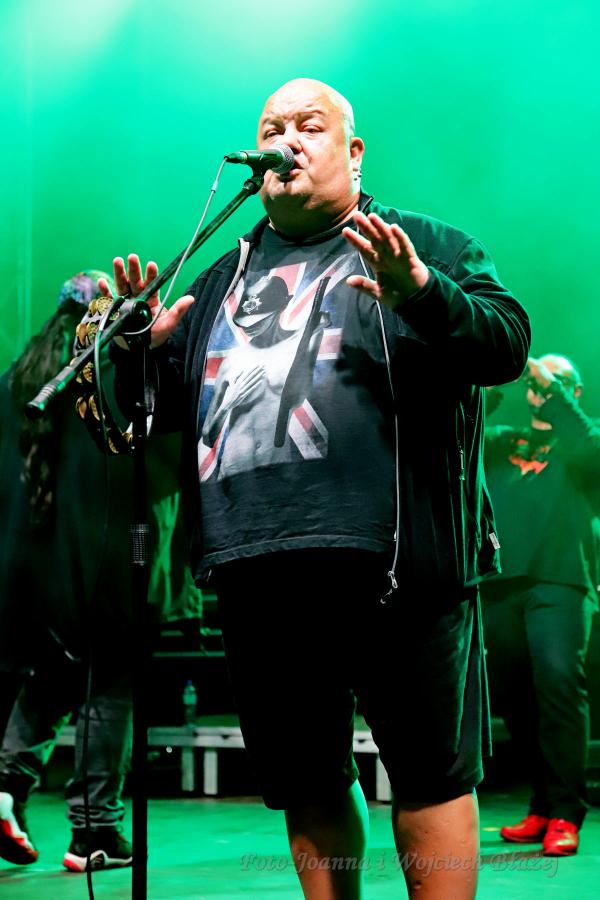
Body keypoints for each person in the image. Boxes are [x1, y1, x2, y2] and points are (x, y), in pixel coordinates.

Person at [106, 78, 530, 899]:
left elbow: (507, 342)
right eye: (273, 128)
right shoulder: (217, 276)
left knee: (430, 774)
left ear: (353, 151)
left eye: (310, 125)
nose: (287, 140)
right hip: (256, 565)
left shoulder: (424, 244)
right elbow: (154, 422)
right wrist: (136, 357)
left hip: (398, 565)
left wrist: (425, 294)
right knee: (306, 780)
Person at [0, 271, 202, 873]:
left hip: (36, 569)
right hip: (110, 562)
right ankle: (96, 831)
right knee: (110, 686)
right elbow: (162, 464)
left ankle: (5, 788)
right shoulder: (112, 374)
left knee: (54, 677)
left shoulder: (20, 378)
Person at [481, 354, 599, 856]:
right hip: (503, 585)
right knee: (515, 698)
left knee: (557, 685)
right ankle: (543, 804)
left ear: (573, 391)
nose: (540, 388)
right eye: (536, 382)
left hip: (560, 582)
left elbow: (589, 446)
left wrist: (554, 388)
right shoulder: (502, 440)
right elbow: (461, 426)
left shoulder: (582, 441)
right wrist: (497, 375)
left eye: (556, 382)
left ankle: (566, 812)